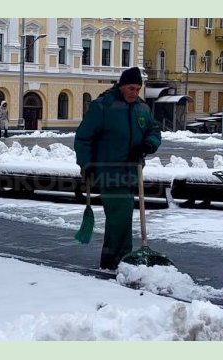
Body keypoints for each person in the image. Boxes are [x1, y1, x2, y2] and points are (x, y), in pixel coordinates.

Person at [74, 66, 162, 270]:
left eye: (138, 89)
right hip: (109, 171)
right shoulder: (103, 106)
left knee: (120, 219)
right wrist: (86, 163)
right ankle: (121, 260)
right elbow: (84, 137)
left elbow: (154, 129)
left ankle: (113, 261)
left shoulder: (142, 108)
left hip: (132, 172)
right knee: (120, 217)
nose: (135, 92)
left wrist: (149, 143)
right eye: (131, 88)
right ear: (122, 86)